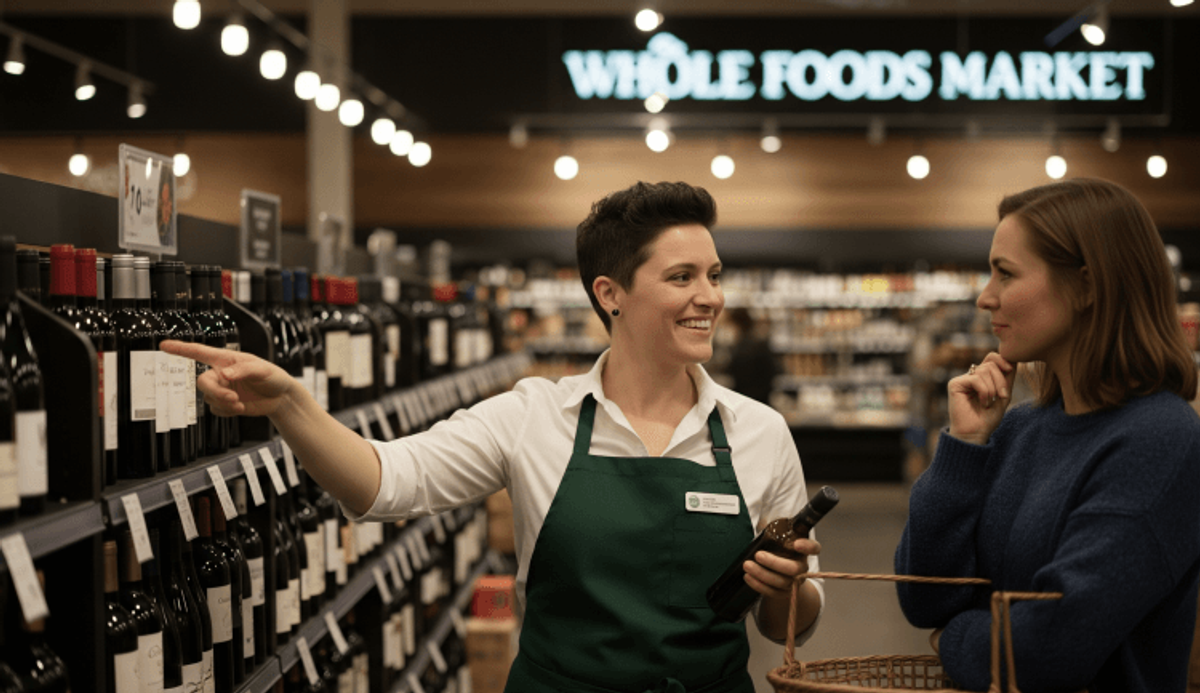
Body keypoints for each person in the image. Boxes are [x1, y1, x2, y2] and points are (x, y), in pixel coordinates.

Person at [163, 181, 823, 693]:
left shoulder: (759, 432)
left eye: (714, 274)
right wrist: (289, 404)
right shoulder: (535, 416)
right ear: (610, 293)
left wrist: (787, 588)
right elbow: (382, 482)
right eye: (682, 277)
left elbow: (795, 622)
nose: (710, 296)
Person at [894, 178, 1200, 693]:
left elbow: (1049, 652)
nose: (985, 297)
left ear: (1087, 286)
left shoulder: (1159, 441)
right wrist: (963, 448)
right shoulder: (1020, 428)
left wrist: (953, 639)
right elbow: (924, 598)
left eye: (1006, 273)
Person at [724, 307, 779, 406]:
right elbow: (773, 372)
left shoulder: (742, 348)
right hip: (761, 401)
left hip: (747, 401)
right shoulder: (760, 343)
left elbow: (735, 375)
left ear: (737, 325)